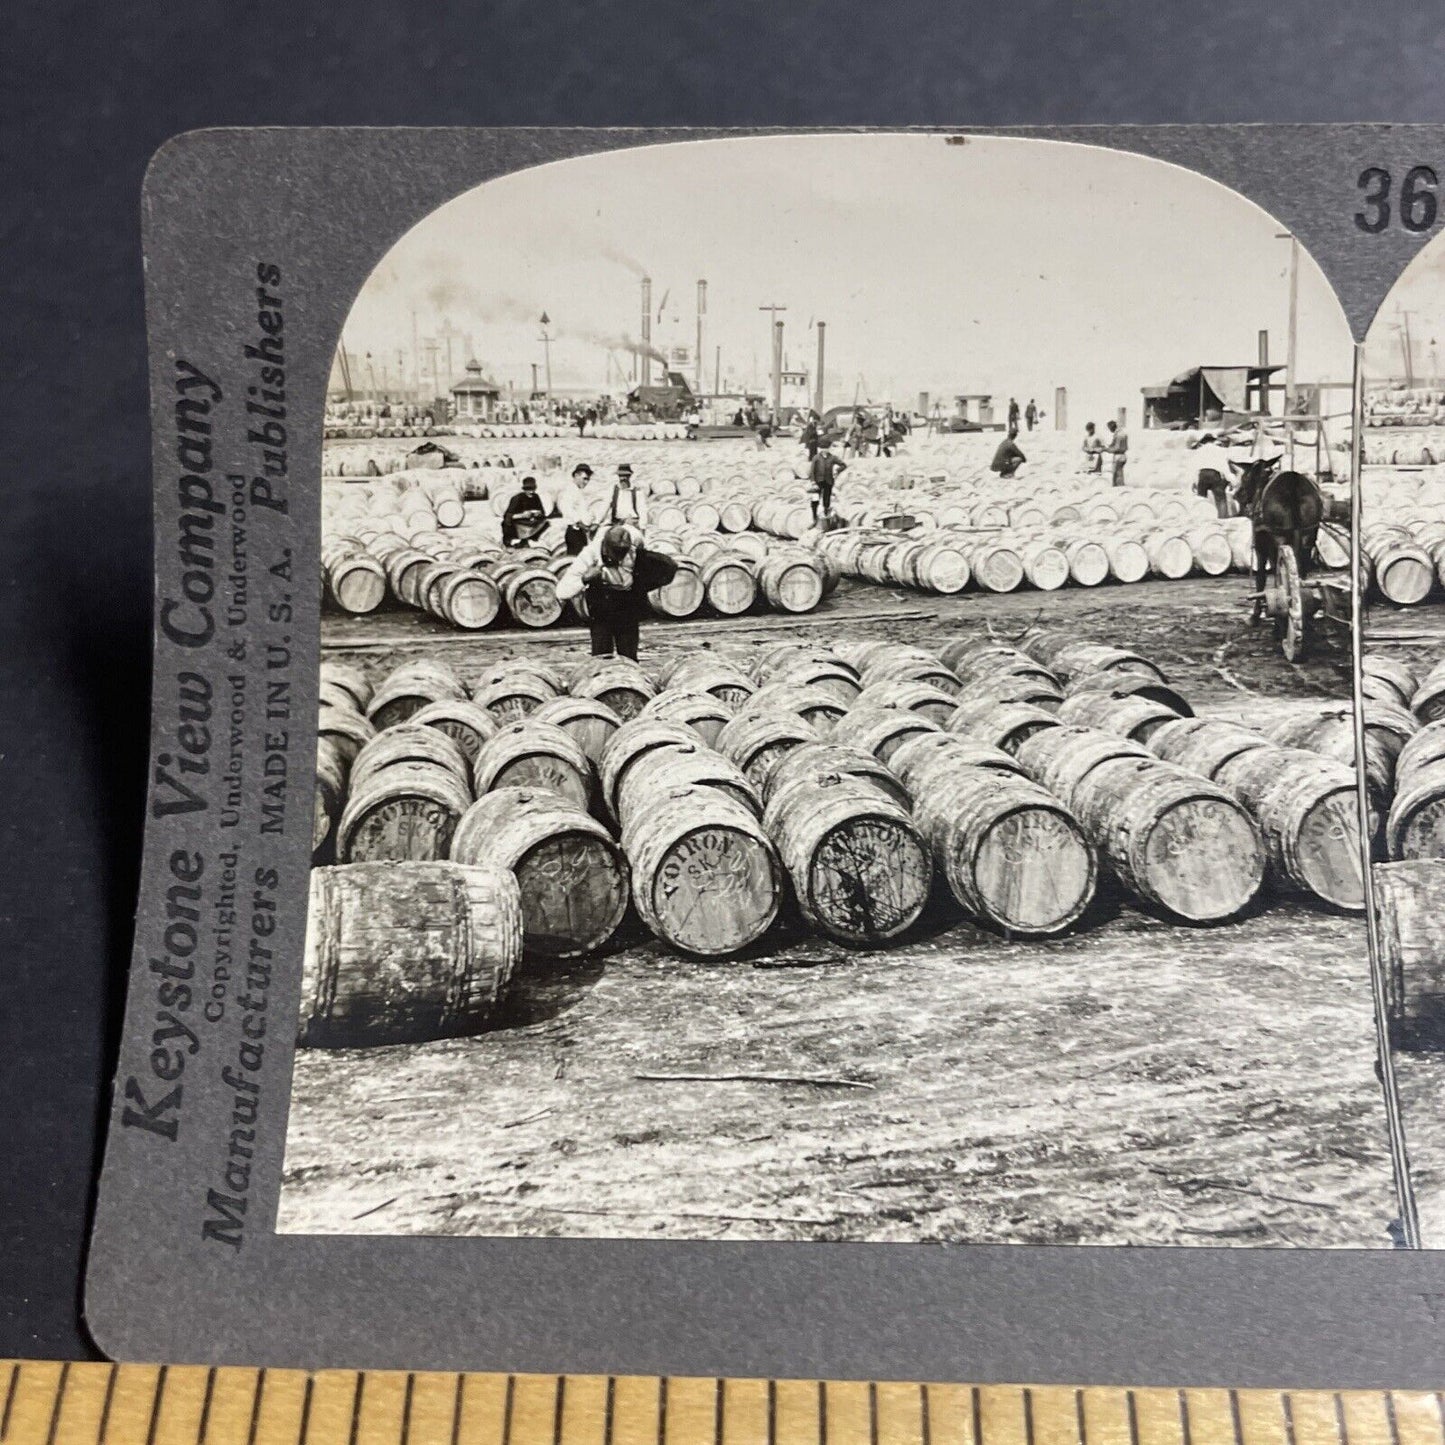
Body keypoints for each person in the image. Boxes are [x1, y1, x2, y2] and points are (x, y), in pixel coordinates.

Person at [555, 524, 674, 661]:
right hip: (602, 605)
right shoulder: (589, 555)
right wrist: (585, 578)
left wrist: (642, 586)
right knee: (602, 655)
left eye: (623, 553)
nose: (619, 558)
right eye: (615, 554)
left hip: (627, 604)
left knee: (629, 655)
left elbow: (668, 567)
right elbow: (562, 591)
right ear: (605, 547)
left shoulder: (635, 540)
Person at [556, 462, 602, 554]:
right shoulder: (570, 490)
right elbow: (567, 508)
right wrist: (581, 523)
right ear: (576, 475)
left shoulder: (578, 491)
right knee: (576, 559)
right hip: (574, 531)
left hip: (580, 532)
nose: (586, 482)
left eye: (588, 480)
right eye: (584, 479)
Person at [501, 476, 549, 547]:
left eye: (533, 489)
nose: (531, 492)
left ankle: (531, 538)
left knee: (546, 523)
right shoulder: (517, 498)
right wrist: (521, 515)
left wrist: (538, 513)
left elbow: (542, 512)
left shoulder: (536, 497)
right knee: (508, 527)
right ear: (524, 489)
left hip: (531, 521)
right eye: (529, 489)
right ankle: (518, 540)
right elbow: (507, 516)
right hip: (519, 523)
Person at [809, 444, 847, 526]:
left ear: (829, 448)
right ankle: (814, 517)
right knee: (815, 500)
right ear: (820, 448)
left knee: (826, 500)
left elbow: (843, 465)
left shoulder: (832, 457)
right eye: (823, 448)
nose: (825, 450)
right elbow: (812, 471)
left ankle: (826, 517)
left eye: (826, 448)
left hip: (828, 481)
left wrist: (837, 470)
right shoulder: (816, 457)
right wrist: (813, 482)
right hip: (818, 482)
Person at [606, 462, 649, 530]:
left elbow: (642, 510)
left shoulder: (637, 491)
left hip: (632, 523)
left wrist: (642, 526)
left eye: (625, 475)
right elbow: (605, 506)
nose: (622, 478)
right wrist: (596, 522)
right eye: (620, 475)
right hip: (616, 523)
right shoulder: (613, 490)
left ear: (630, 476)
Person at [1106, 418, 1129, 487]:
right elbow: (1113, 444)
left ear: (1111, 427)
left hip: (1119, 456)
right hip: (1122, 456)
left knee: (1118, 475)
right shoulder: (1120, 433)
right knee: (1118, 474)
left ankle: (1120, 489)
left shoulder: (1119, 434)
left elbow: (1117, 447)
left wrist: (1108, 450)